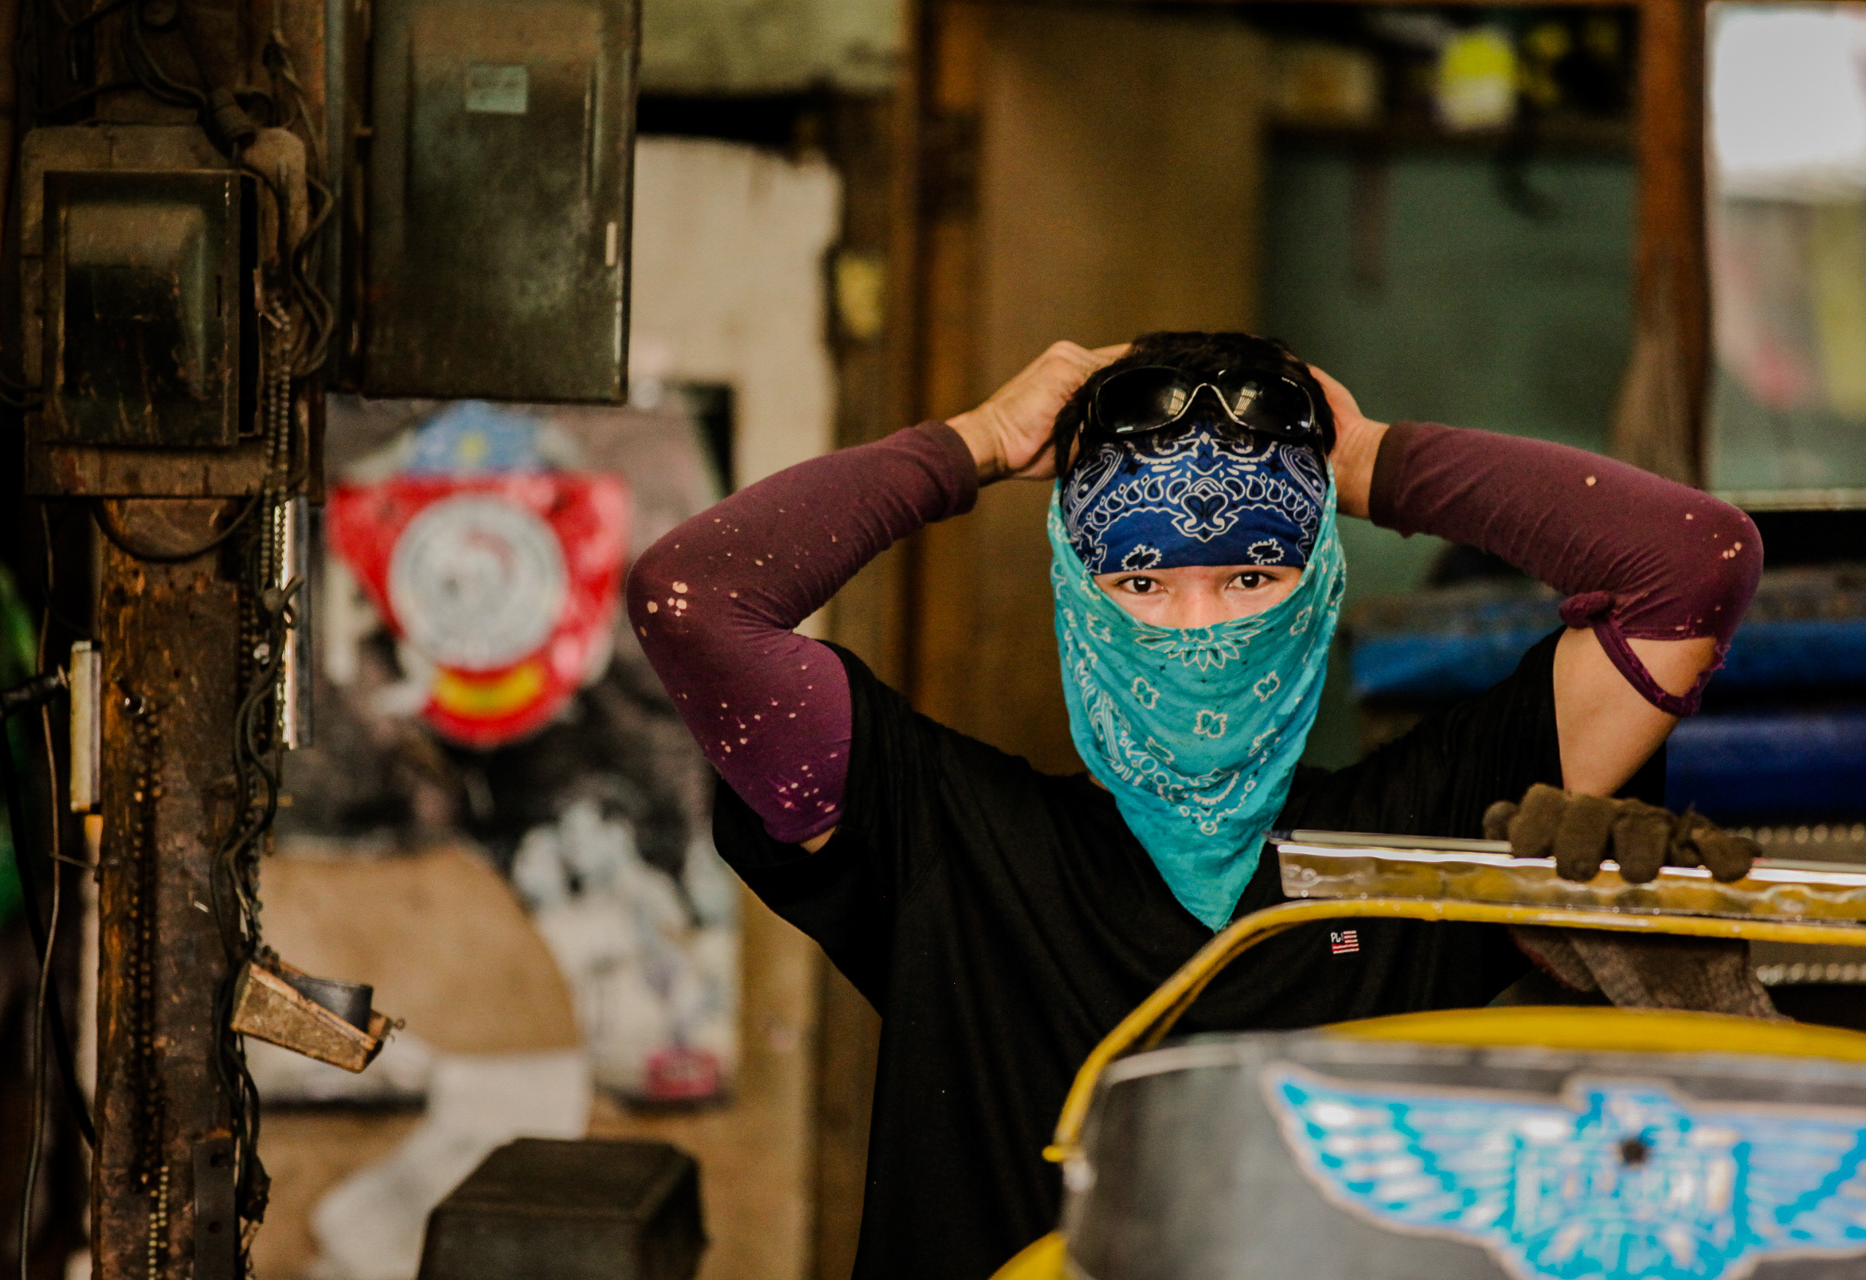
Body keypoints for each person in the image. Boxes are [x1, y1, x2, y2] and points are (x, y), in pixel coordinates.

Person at [627, 332, 1763, 1280]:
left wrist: (1366, 460)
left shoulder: (1420, 836)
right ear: (1077, 591)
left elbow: (1695, 561)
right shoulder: (945, 842)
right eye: (1141, 580)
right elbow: (694, 601)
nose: (1199, 625)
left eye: (1253, 574)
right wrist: (975, 443)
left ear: (1320, 577)